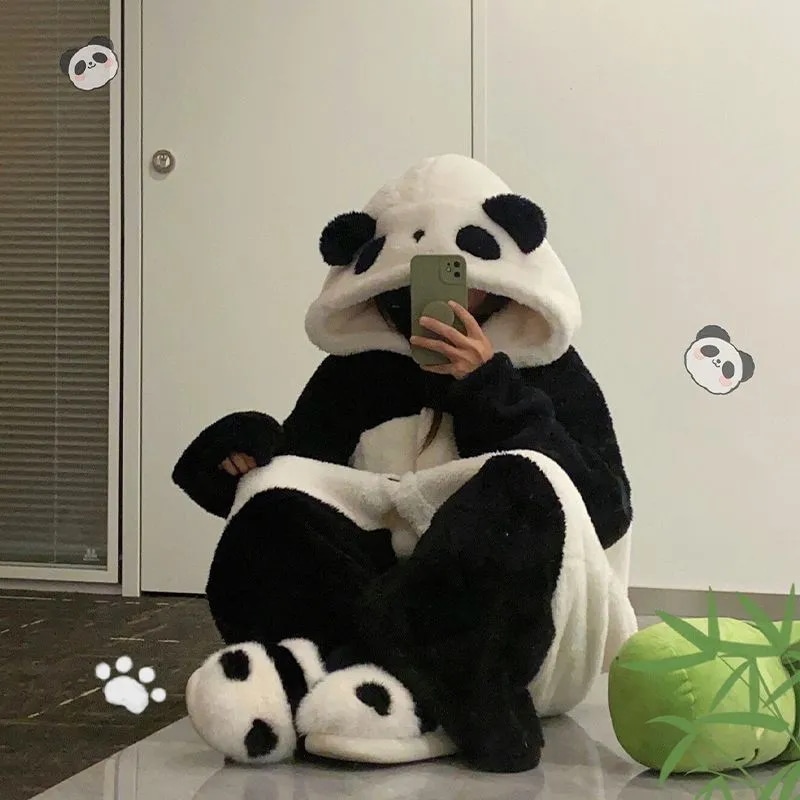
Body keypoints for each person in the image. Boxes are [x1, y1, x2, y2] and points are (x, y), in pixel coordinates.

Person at [173, 154, 637, 772]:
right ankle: (319, 670)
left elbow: (603, 508)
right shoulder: (355, 372)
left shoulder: (548, 369)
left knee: (522, 485)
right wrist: (248, 457)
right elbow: (303, 497)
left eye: (460, 273)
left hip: (513, 643)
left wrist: (490, 390)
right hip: (377, 605)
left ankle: (429, 693)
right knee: (276, 492)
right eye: (420, 275)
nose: (444, 293)